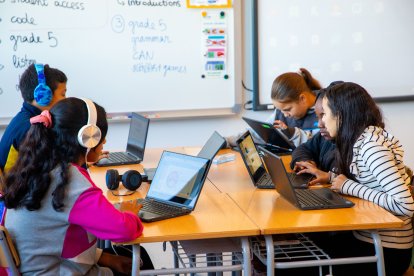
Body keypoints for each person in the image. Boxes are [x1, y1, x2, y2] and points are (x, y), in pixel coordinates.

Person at [2, 97, 152, 275]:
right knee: (140, 260)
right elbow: (124, 231)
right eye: (102, 137)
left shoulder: (37, 167)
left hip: (40, 268)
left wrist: (106, 258)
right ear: (88, 138)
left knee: (137, 257)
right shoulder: (69, 182)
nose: (103, 143)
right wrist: (129, 214)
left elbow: (53, 238)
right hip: (55, 271)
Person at [318, 82, 413, 276]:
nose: (322, 122)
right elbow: (371, 182)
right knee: (307, 242)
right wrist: (333, 178)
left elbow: (405, 205)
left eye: (325, 114)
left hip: (388, 251)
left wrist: (348, 186)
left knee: (302, 263)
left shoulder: (372, 147)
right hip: (368, 239)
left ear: (340, 116)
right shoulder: (360, 139)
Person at [0, 64, 67, 173]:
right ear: (43, 95)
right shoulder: (31, 127)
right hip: (14, 187)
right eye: (63, 94)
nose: (66, 100)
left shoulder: (25, 118)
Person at [289, 81, 344, 184]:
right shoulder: (324, 137)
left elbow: (353, 181)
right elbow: (303, 148)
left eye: (324, 115)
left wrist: (329, 177)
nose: (319, 124)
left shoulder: (358, 147)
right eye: (318, 117)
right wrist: (306, 162)